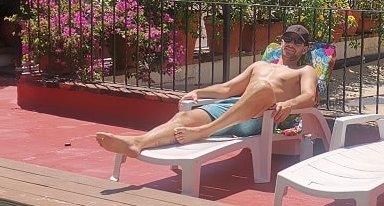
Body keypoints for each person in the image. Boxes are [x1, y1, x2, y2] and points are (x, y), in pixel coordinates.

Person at [96, 24, 320, 159]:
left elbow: (310, 96)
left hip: (260, 117)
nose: (290, 44)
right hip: (231, 108)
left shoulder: (304, 70)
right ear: (281, 41)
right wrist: (199, 92)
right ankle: (137, 143)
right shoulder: (260, 66)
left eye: (297, 42)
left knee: (262, 87)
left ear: (304, 48)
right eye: (287, 39)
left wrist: (289, 104)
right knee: (184, 117)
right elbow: (227, 89)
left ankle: (205, 130)